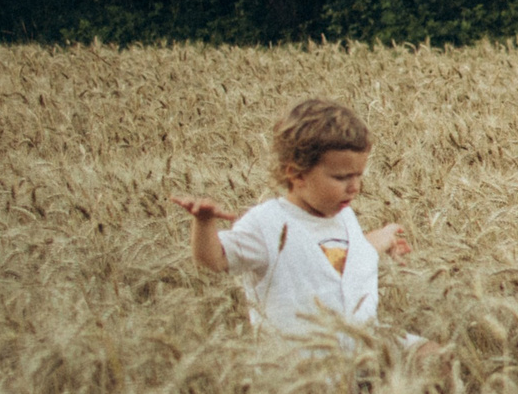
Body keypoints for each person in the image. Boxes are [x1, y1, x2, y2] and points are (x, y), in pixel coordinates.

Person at [171, 97, 414, 339]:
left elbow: (342, 253)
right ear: (297, 174)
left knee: (432, 354)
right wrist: (203, 223)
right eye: (341, 178)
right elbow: (213, 262)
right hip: (304, 361)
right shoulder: (266, 224)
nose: (354, 187)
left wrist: (386, 237)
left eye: (358, 175)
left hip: (363, 347)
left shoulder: (345, 216)